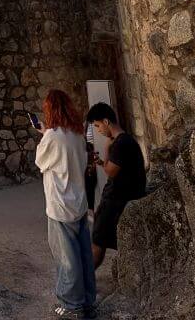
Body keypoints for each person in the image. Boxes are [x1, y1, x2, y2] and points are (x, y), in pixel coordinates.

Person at [36, 89, 97, 319]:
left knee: (66, 258)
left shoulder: (52, 136)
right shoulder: (77, 134)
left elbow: (41, 161)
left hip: (60, 203)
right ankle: (88, 300)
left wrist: (45, 134)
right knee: (82, 254)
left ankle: (71, 305)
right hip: (79, 201)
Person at [86, 102, 146, 269]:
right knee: (99, 239)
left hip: (116, 200)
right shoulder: (124, 141)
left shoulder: (120, 143)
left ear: (106, 121)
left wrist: (106, 149)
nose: (98, 130)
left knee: (98, 241)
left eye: (98, 125)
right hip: (118, 197)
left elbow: (111, 171)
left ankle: (85, 282)